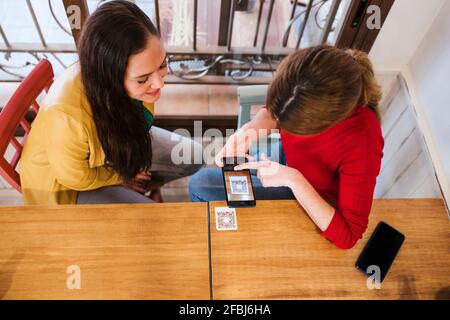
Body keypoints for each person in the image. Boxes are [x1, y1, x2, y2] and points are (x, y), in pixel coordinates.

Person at [189, 45, 384, 249]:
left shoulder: (364, 140)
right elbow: (274, 113)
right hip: (289, 160)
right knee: (235, 174)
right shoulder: (311, 76)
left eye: (290, 124)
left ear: (321, 123)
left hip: (311, 195)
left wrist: (293, 180)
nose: (281, 124)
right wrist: (253, 127)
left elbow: (349, 235)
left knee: (200, 185)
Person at [20, 0, 202, 205]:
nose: (159, 83)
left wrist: (128, 172)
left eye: (162, 65)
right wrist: (121, 178)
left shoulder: (114, 78)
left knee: (192, 156)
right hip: (66, 188)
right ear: (109, 74)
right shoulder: (66, 118)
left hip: (110, 149)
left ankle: (136, 190)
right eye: (143, 79)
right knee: (156, 224)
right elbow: (75, 177)